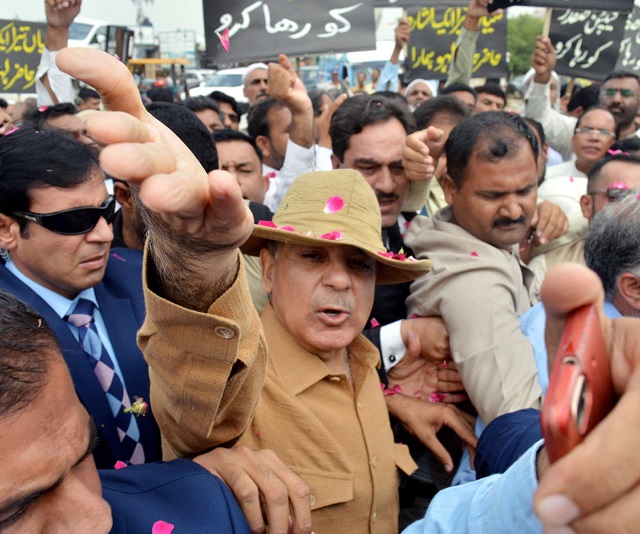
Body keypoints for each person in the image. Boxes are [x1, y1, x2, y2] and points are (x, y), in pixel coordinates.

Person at [59, 45, 640, 534]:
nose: (339, 280)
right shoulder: (238, 384)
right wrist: (194, 255)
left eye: (361, 266)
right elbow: (197, 389)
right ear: (273, 265)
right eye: (313, 257)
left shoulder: (368, 363)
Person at [0, 126, 161, 469]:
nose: (103, 235)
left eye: (105, 212)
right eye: (75, 220)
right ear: (6, 230)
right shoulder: (7, 330)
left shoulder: (143, 279)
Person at [405, 112, 557, 426]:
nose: (514, 210)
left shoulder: (481, 232)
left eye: (525, 191)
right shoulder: (475, 284)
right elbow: (517, 419)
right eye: (492, 195)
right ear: (449, 189)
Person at [527, 35, 640, 160]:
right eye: (610, 93)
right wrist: (542, 78)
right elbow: (539, 120)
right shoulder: (577, 130)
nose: (616, 99)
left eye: (626, 94)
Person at [248, 54, 332, 212]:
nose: (304, 137)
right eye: (291, 130)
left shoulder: (318, 163)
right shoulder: (259, 189)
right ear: (263, 144)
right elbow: (293, 202)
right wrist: (302, 114)